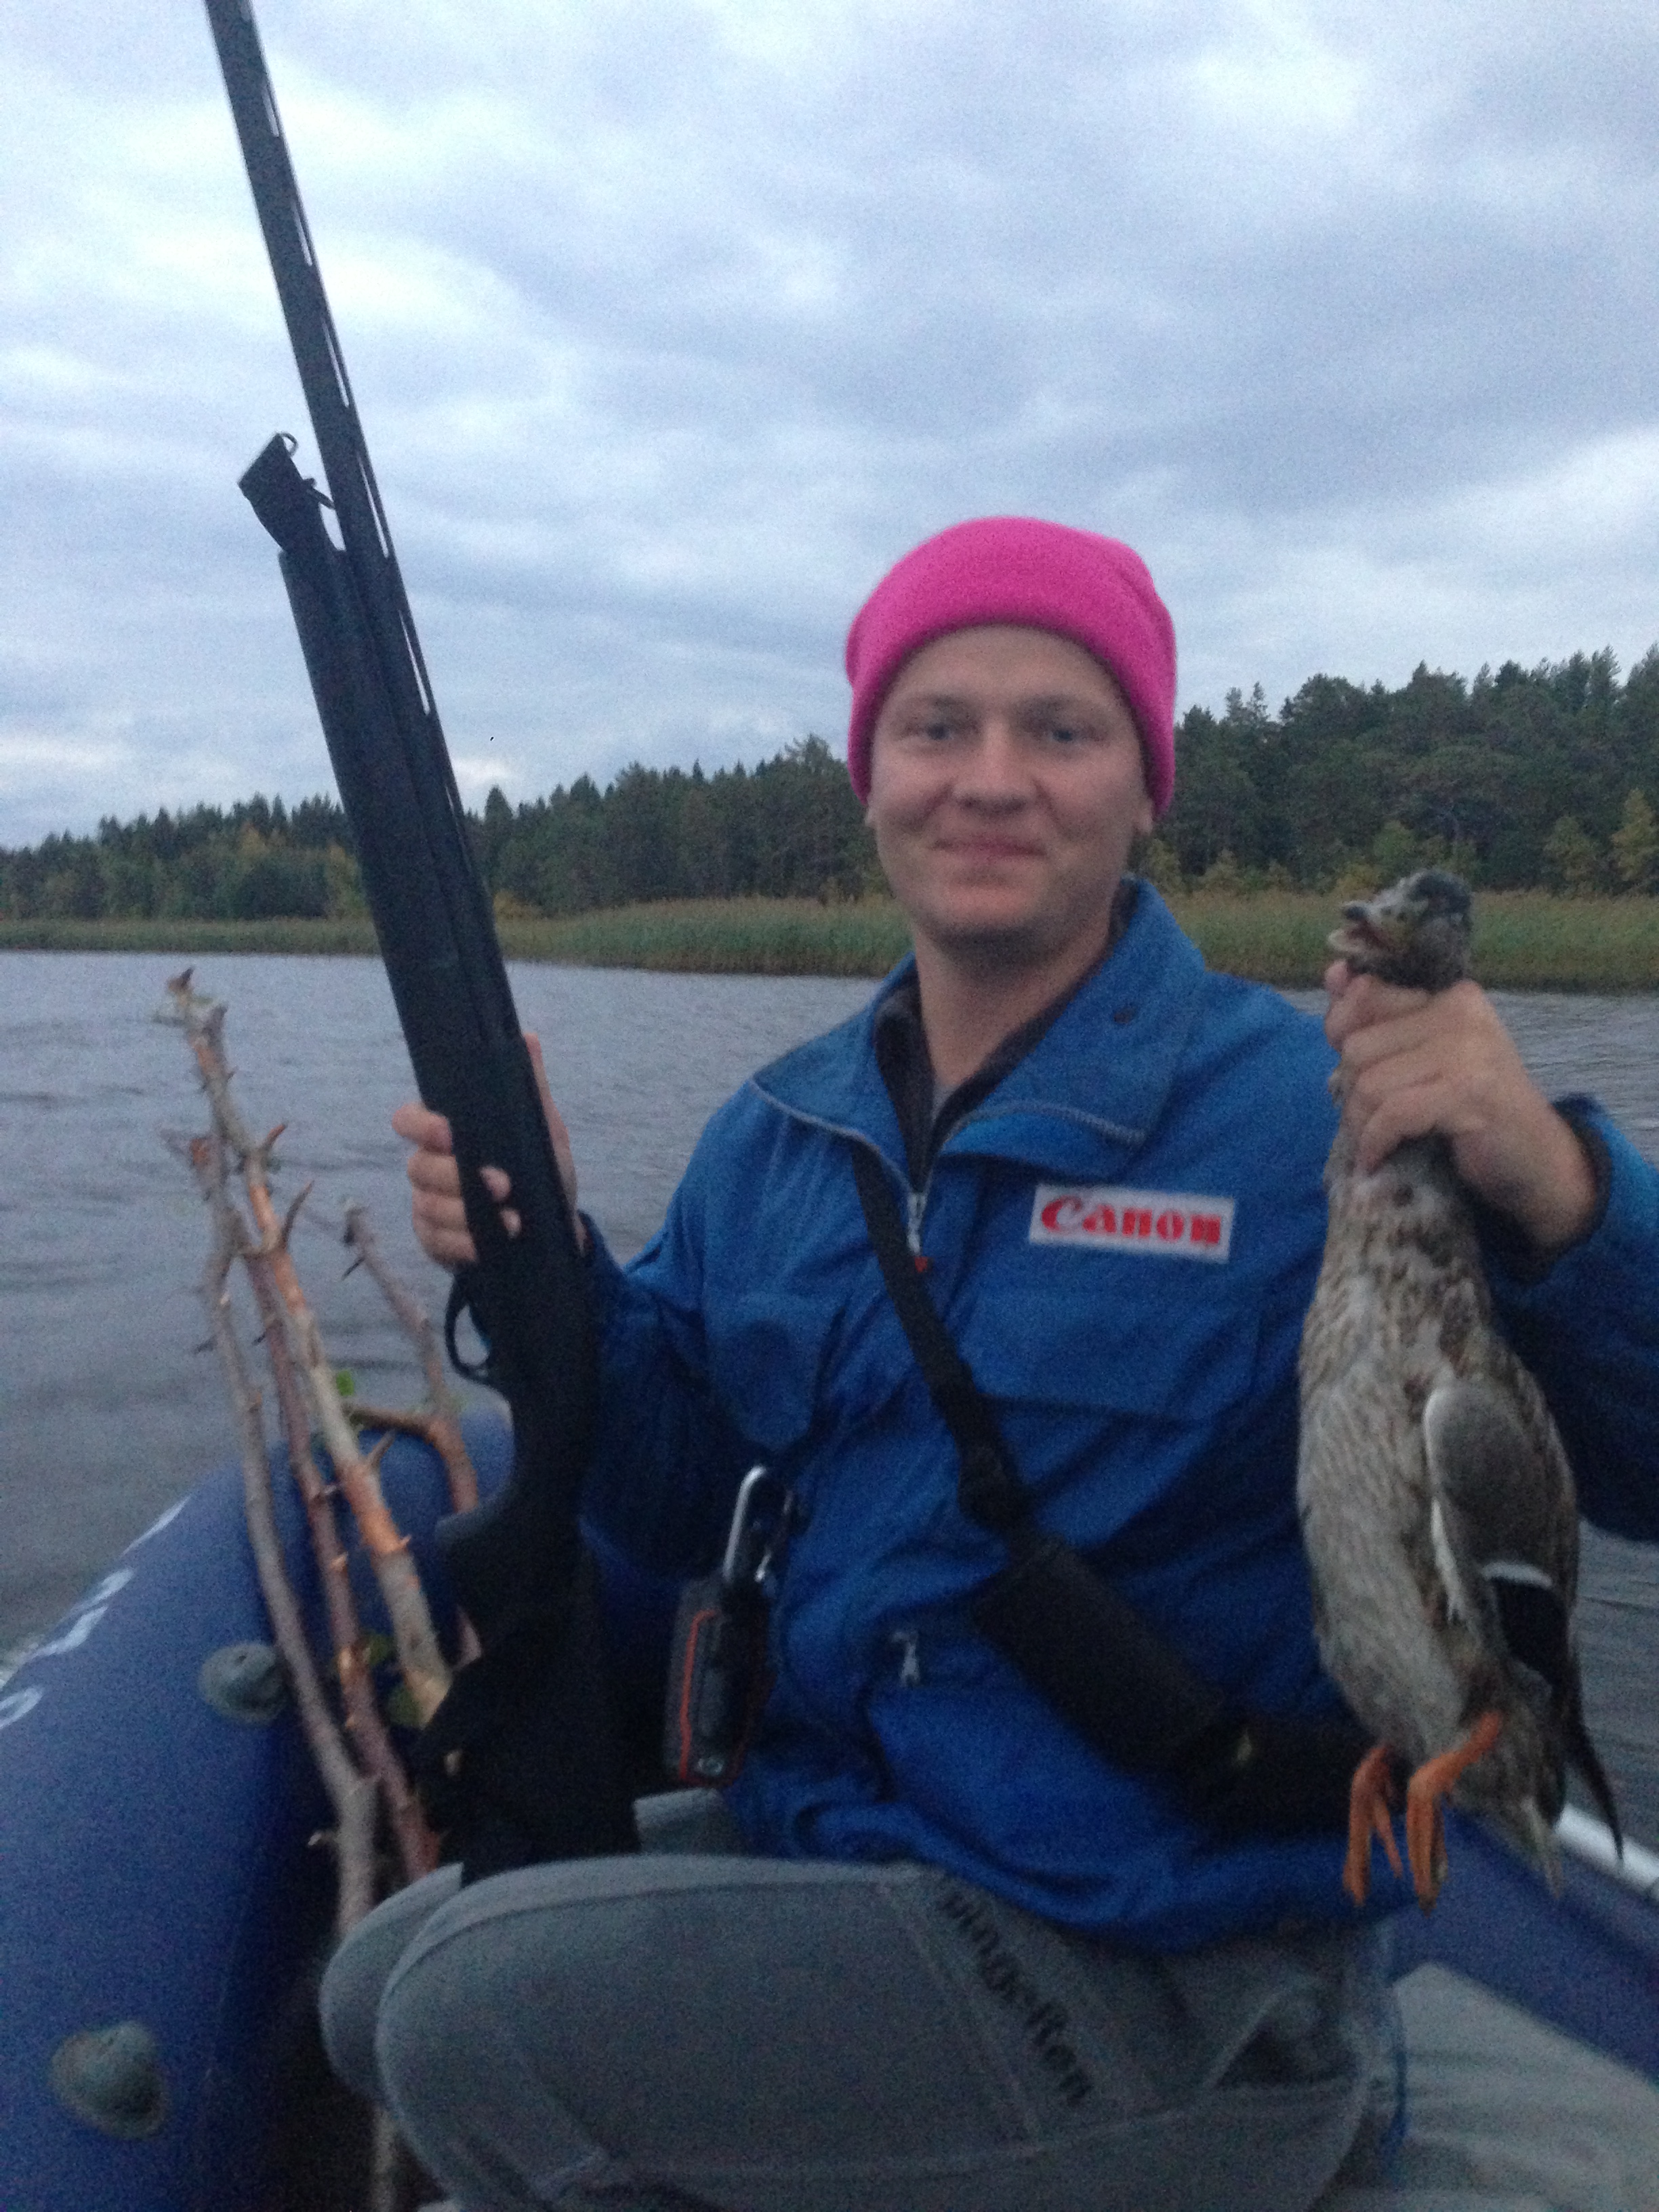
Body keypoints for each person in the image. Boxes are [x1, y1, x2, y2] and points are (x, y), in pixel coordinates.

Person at [321, 518, 1659, 2212]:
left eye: (1063, 730)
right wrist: (542, 1268)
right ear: (869, 776)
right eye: (937, 726)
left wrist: (1558, 1183)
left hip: (1167, 1969)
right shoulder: (784, 1133)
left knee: (461, 2019)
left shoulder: (1325, 1116)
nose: (992, 780)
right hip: (861, 1850)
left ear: (1146, 786)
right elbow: (671, 1503)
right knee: (371, 1991)